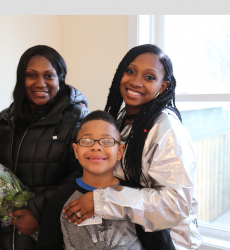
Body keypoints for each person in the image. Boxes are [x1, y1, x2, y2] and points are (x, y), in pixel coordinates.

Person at [62, 44, 202, 250]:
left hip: (168, 242)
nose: (135, 82)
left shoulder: (168, 130)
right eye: (130, 71)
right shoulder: (120, 121)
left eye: (149, 77)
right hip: (130, 238)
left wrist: (103, 201)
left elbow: (175, 205)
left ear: (163, 86)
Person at [0, 45, 89, 250]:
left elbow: (81, 177)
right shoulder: (5, 120)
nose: (40, 83)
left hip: (50, 235)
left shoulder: (77, 119)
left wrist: (37, 213)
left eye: (49, 76)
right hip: (3, 239)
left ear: (60, 78)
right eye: (31, 75)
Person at [36, 110, 175, 250]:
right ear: (76, 150)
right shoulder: (58, 201)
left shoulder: (137, 200)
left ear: (120, 151)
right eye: (86, 141)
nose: (96, 146)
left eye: (107, 141)